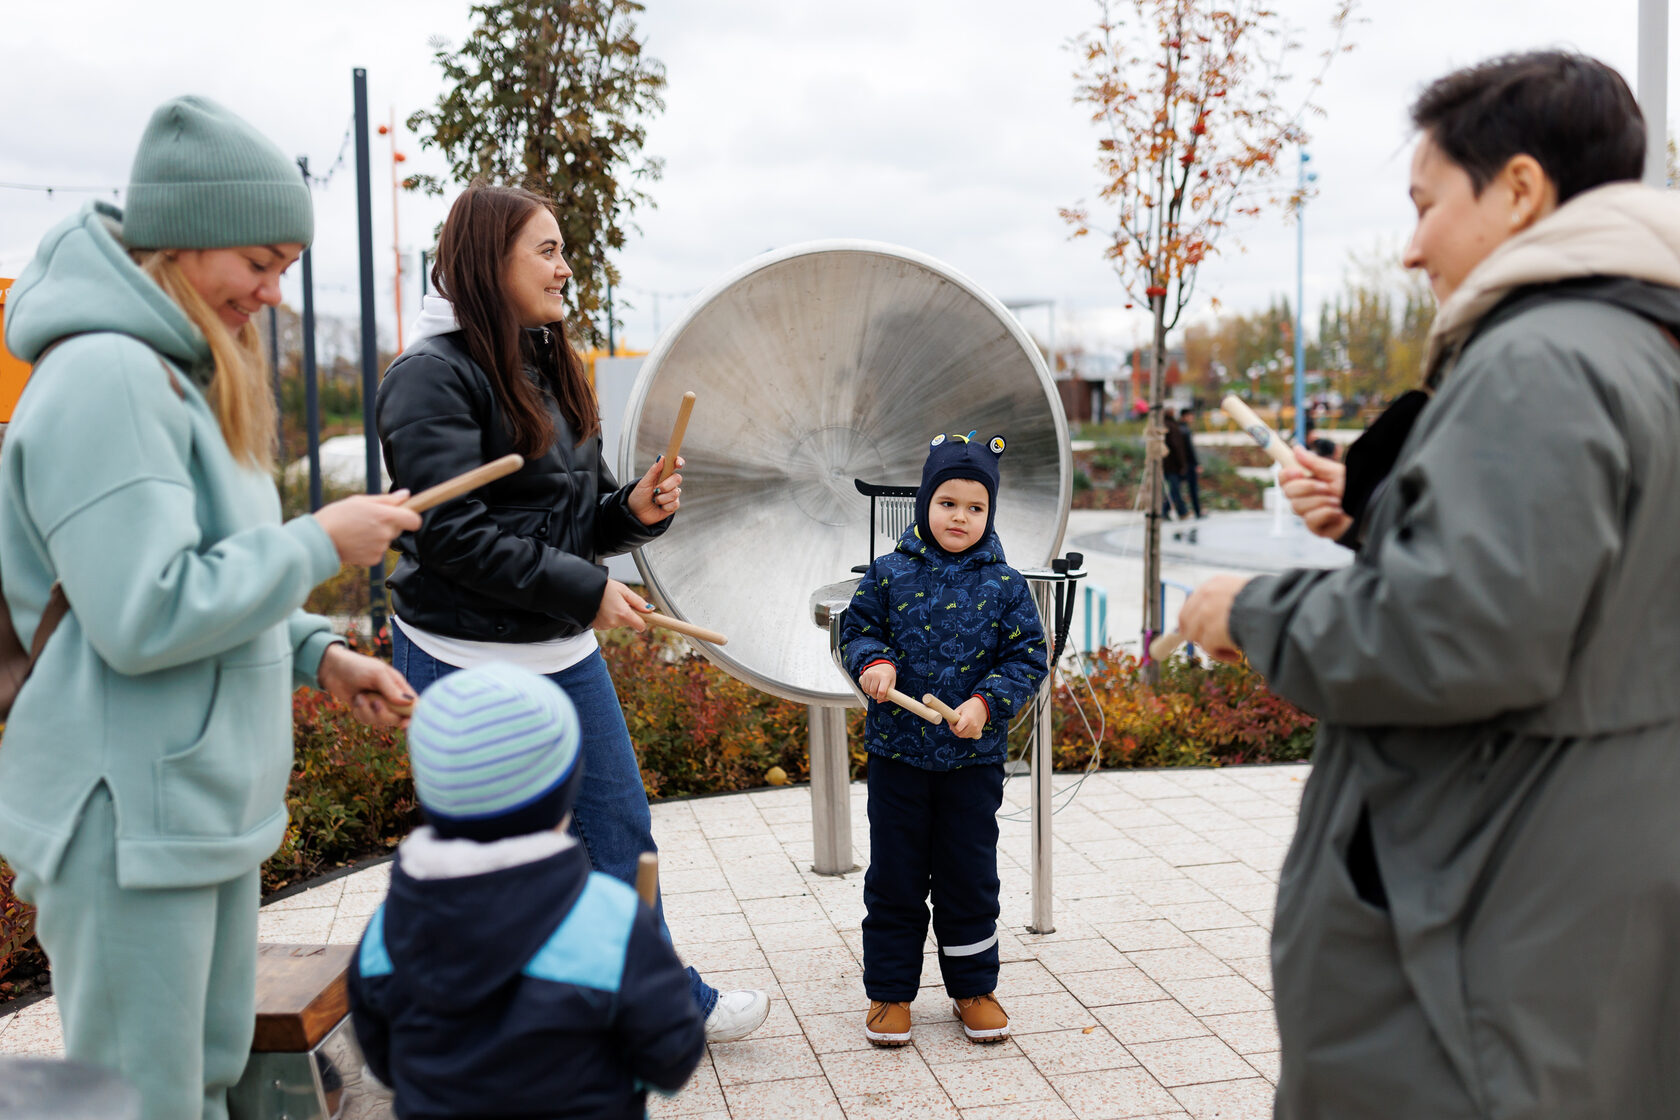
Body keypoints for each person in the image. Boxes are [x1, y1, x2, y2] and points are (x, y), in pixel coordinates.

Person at [1176, 51, 1680, 1117]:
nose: (1410, 247)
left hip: (1480, 921)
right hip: (1582, 896)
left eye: (1426, 203)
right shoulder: (1646, 351)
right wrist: (1379, 520)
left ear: (1521, 190)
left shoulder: (1542, 361)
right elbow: (1587, 601)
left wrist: (1248, 611)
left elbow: (1463, 633)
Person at [0, 96, 419, 1120]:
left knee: (199, 1077)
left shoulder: (180, 377)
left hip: (187, 811)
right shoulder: (106, 376)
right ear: (183, 240)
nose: (274, 293)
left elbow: (213, 571)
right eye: (260, 261)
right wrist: (320, 542)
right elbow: (144, 613)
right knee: (143, 1099)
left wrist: (318, 649)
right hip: (126, 818)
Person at [374, 183, 768, 1042]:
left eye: (563, 248)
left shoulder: (547, 363)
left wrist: (632, 513)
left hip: (557, 650)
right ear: (489, 262)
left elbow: (568, 522)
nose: (565, 267)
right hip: (458, 656)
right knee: (491, 865)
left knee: (618, 831)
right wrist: (588, 592)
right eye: (546, 250)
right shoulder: (426, 379)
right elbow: (452, 538)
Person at [347, 662, 705, 1118]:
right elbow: (670, 1057)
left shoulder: (386, 929)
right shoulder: (609, 921)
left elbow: (383, 1057)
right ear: (565, 793)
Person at [838, 432, 1047, 1047]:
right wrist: (873, 662)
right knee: (896, 877)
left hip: (972, 763)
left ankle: (974, 989)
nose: (961, 516)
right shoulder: (887, 574)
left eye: (976, 507)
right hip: (898, 758)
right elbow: (857, 631)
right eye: (948, 502)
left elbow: (1028, 657)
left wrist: (987, 704)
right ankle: (890, 994)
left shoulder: (1006, 585)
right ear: (925, 503)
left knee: (969, 877)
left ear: (991, 512)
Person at [1160, 408, 1190, 520]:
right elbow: (1177, 447)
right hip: (1173, 464)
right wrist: (1182, 464)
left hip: (1166, 463)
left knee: (1173, 489)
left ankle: (1173, 510)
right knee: (1175, 488)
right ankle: (1179, 511)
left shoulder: (1164, 425)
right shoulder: (1172, 426)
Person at [1178, 407, 1205, 518]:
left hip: (1183, 463)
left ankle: (1166, 509)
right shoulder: (1184, 430)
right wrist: (1196, 464)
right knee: (1192, 488)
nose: (1192, 418)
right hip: (1188, 464)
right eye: (1190, 416)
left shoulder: (1180, 428)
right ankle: (1197, 511)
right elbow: (1189, 450)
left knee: (1178, 488)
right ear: (1185, 416)